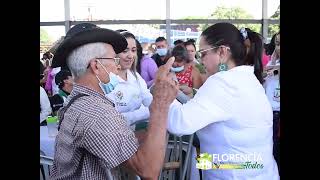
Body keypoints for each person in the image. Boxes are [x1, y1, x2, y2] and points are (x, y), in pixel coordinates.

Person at [49, 24, 178, 179]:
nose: (117, 68)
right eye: (113, 60)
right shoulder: (95, 112)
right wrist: (160, 104)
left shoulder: (78, 102)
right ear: (96, 66)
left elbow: (107, 138)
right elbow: (148, 170)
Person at [166, 23, 279, 179]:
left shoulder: (222, 81)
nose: (201, 60)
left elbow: (178, 123)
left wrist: (164, 94)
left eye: (203, 53)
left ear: (222, 51)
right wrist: (194, 93)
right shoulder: (246, 77)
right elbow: (227, 108)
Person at [106, 30, 153, 128]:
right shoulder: (106, 80)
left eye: (133, 50)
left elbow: (149, 100)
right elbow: (112, 119)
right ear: (113, 53)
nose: (130, 56)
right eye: (125, 51)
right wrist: (147, 112)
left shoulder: (136, 77)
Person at [263, 31, 280, 170]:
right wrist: (273, 62)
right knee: (271, 153)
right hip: (270, 114)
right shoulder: (271, 63)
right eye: (278, 44)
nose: (279, 48)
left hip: (278, 115)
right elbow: (265, 73)